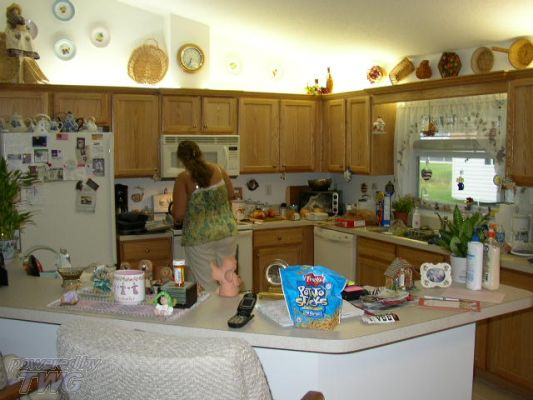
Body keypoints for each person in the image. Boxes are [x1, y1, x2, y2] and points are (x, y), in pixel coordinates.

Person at [172, 140, 237, 292]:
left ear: (181, 159)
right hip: (226, 232)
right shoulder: (219, 170)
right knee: (227, 280)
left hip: (200, 237)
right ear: (200, 153)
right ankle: (230, 307)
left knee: (208, 285)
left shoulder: (183, 178)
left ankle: (212, 308)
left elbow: (179, 214)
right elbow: (231, 195)